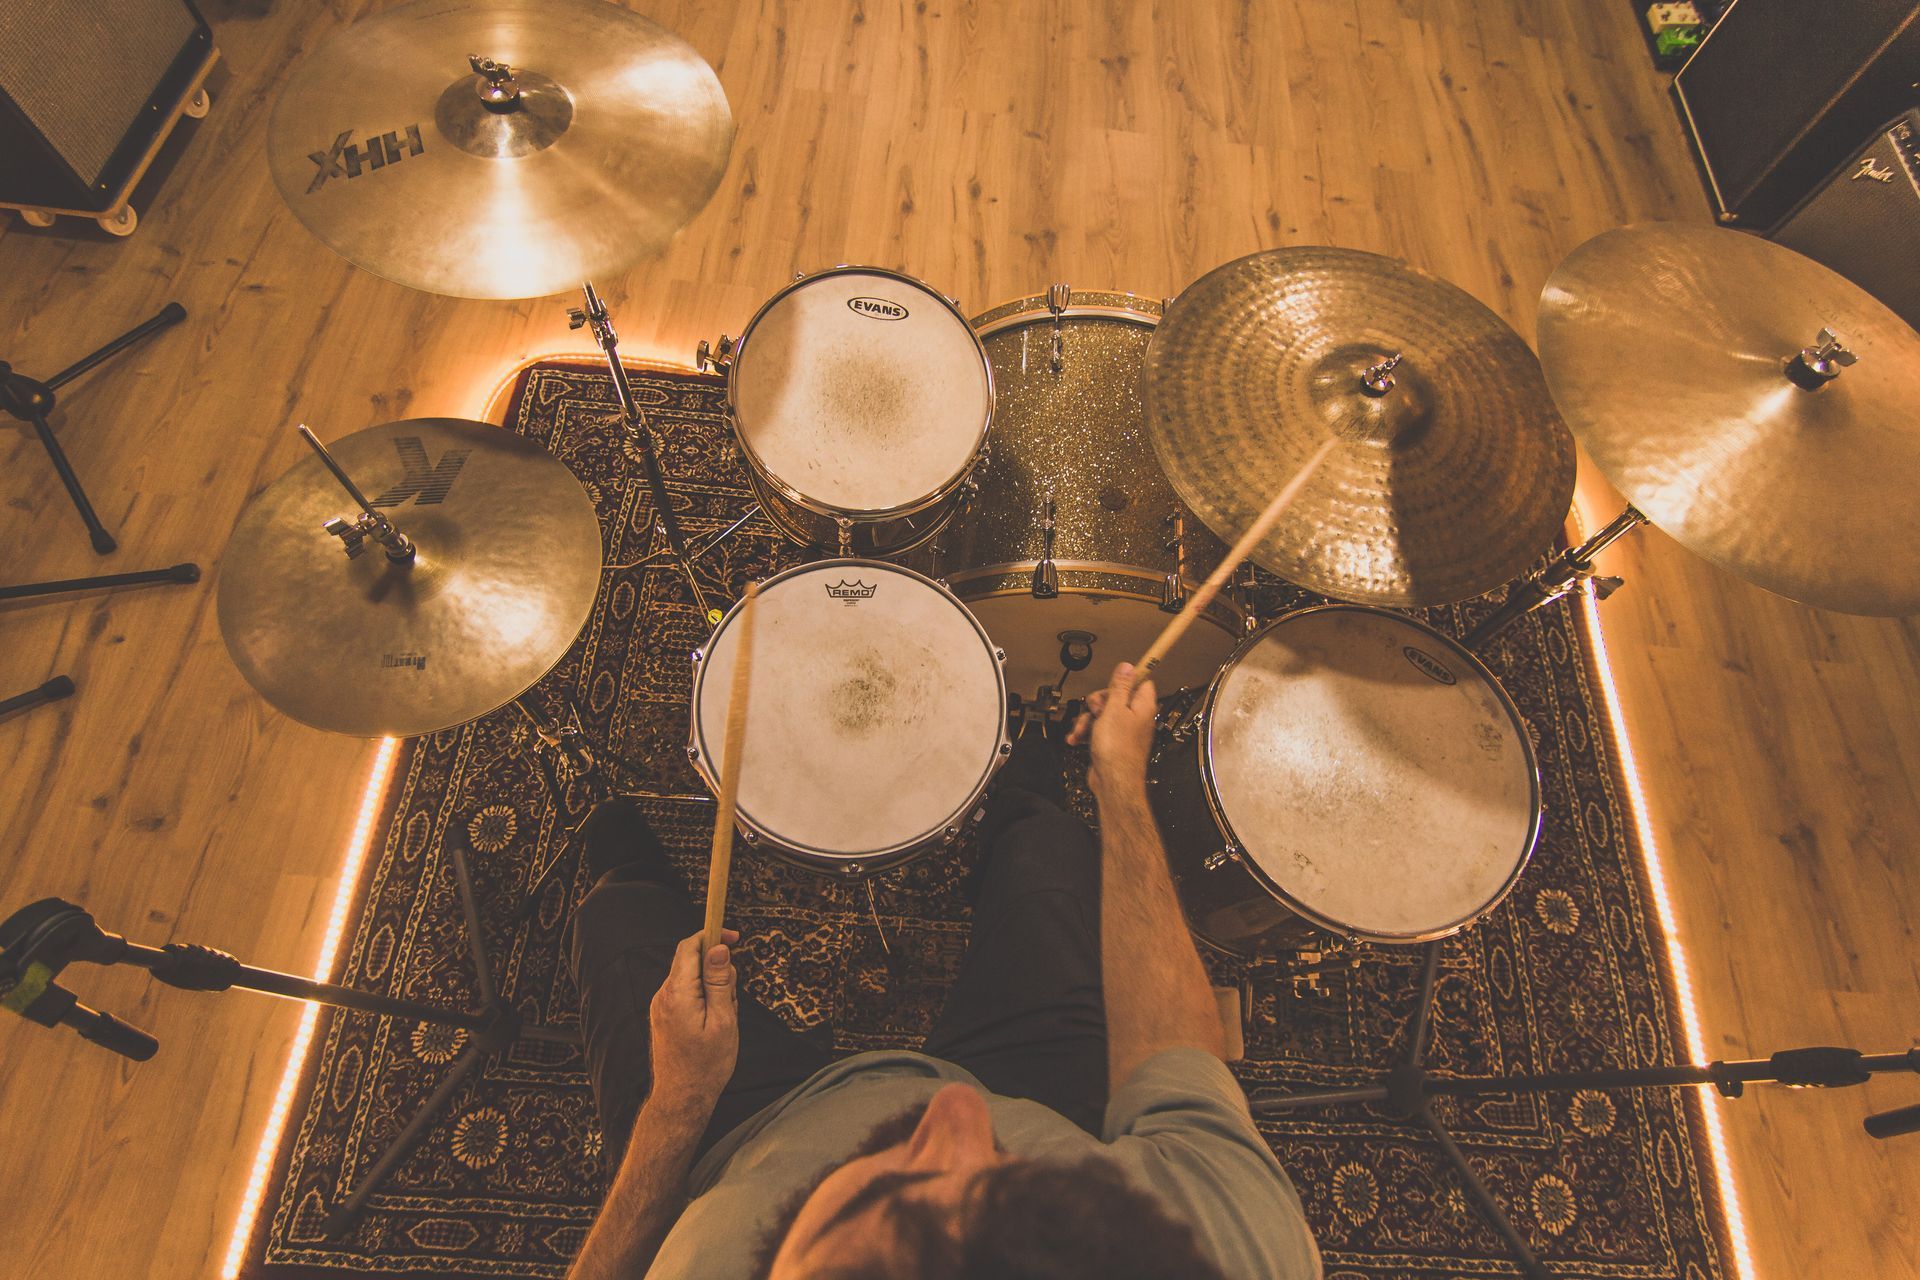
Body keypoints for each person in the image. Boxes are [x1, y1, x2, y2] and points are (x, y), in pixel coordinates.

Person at [565, 662, 1321, 1279]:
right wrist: (1118, 783)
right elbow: (1173, 1061)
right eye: (1027, 1182)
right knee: (1049, 855)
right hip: (1035, 1092)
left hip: (740, 1133)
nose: (952, 1114)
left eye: (893, 1199)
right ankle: (1031, 784)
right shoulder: (1215, 1251)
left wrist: (680, 1101)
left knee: (618, 924)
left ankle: (620, 858)